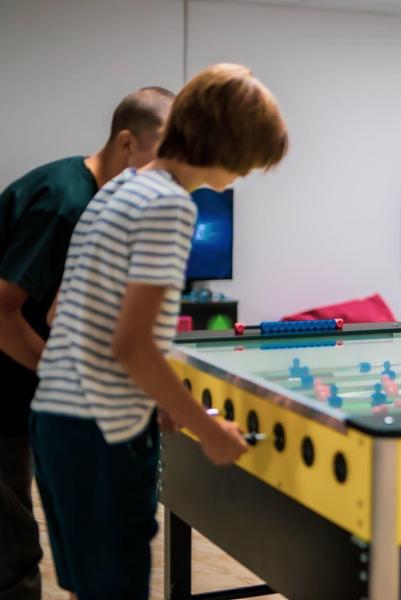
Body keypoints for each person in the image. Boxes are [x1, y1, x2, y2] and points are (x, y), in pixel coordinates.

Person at [29, 63, 289, 600]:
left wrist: (156, 398)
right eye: (251, 159)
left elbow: (63, 315)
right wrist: (209, 430)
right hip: (102, 432)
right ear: (232, 144)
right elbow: (133, 345)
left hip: (58, 420)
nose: (247, 173)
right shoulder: (170, 205)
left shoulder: (121, 187)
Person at [0, 86, 174, 600]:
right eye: (164, 157)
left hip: (21, 393)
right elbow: (2, 313)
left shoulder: (95, 203)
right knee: (12, 556)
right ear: (127, 142)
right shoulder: (63, 202)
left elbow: (63, 313)